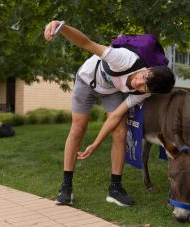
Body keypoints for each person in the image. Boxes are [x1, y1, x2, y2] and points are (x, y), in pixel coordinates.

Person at [44, 20, 175, 207]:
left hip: (110, 91)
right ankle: (66, 186)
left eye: (145, 86)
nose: (138, 83)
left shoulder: (142, 92)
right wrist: (61, 27)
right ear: (148, 69)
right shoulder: (123, 59)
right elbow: (86, 43)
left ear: (150, 92)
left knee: (120, 132)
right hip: (87, 80)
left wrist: (95, 144)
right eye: (144, 77)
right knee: (78, 128)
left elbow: (114, 116)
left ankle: (115, 189)